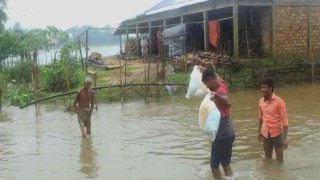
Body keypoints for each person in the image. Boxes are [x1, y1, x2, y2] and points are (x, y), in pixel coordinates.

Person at [201, 68, 235, 179]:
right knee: (226, 164)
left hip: (222, 133)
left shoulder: (220, 91)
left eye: (206, 84)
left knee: (214, 166)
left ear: (210, 80)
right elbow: (215, 74)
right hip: (228, 131)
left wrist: (217, 96)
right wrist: (204, 69)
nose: (207, 87)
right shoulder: (220, 82)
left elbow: (228, 101)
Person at [258, 77, 288, 163]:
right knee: (267, 158)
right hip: (265, 133)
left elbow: (285, 122)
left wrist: (285, 138)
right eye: (261, 87)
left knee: (280, 161)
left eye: (264, 87)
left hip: (277, 134)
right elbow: (260, 118)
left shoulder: (279, 102)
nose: (262, 90)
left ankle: (279, 175)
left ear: (270, 88)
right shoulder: (261, 101)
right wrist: (259, 132)